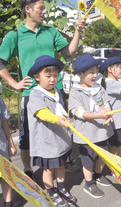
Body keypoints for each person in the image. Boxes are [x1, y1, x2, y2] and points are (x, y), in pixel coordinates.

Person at [0, 0, 85, 177]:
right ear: (28, 9)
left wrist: (77, 30)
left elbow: (68, 52)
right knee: (28, 134)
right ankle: (28, 169)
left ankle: (63, 160)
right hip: (32, 93)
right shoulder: (14, 35)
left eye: (45, 8)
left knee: (61, 126)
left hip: (56, 90)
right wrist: (14, 84)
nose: (44, 12)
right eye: (41, 8)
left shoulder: (51, 31)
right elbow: (1, 62)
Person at [27, 55, 77, 206]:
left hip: (60, 139)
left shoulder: (56, 91)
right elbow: (42, 113)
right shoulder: (35, 94)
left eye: (55, 76)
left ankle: (61, 189)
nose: (52, 79)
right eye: (48, 76)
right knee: (49, 170)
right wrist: (58, 119)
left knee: (61, 166)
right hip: (47, 141)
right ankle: (51, 193)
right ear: (36, 76)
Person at [68, 54, 115, 199]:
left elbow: (106, 103)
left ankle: (99, 175)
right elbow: (79, 113)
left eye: (96, 71)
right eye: (91, 72)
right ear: (81, 74)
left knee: (102, 157)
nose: (95, 75)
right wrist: (99, 115)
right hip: (86, 135)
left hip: (101, 131)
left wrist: (107, 112)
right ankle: (89, 184)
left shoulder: (99, 88)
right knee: (88, 161)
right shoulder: (75, 92)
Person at [0, 98, 17, 207]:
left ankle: (8, 203)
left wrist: (11, 144)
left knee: (5, 177)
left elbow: (4, 122)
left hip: (2, 148)